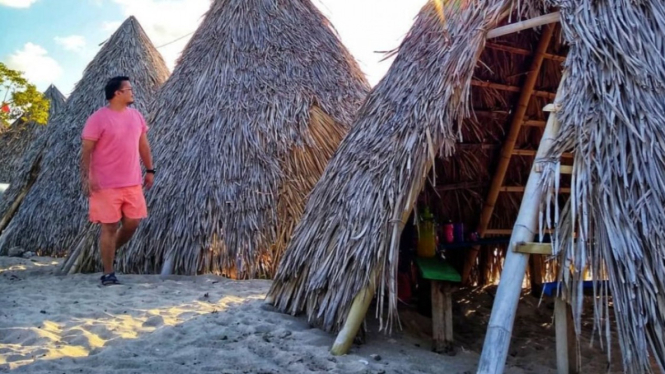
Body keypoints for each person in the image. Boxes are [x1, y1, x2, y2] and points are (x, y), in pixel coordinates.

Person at [80, 76, 154, 286]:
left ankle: (109, 252)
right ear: (117, 93)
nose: (132, 92)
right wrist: (87, 177)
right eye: (128, 89)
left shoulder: (136, 117)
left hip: (132, 182)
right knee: (109, 227)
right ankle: (108, 272)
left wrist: (150, 170)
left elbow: (144, 146)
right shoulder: (98, 118)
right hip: (105, 184)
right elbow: (86, 149)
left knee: (133, 222)